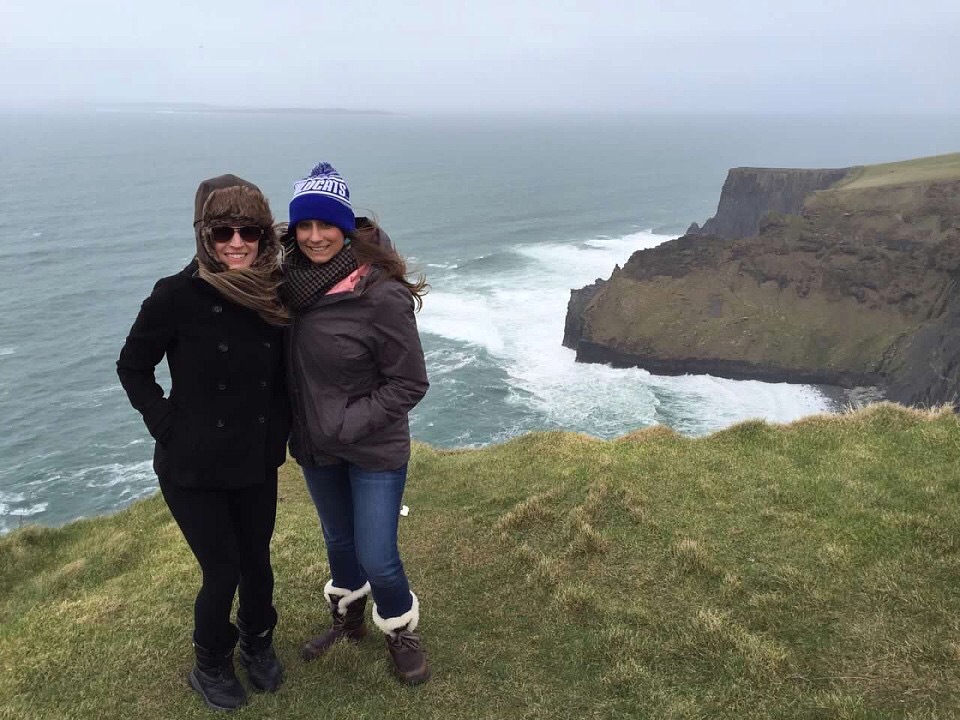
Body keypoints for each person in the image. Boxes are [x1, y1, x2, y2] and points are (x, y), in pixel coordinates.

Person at [117, 175, 290, 711]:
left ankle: (257, 642)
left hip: (256, 459)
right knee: (224, 569)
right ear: (204, 236)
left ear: (265, 235)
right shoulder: (176, 295)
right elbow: (133, 367)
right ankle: (209, 661)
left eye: (250, 231)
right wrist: (168, 428)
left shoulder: (275, 293)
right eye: (223, 232)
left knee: (257, 560)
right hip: (191, 466)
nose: (237, 243)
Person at [281, 161, 431, 685]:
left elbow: (410, 383)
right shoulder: (289, 288)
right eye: (305, 225)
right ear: (293, 230)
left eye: (326, 225)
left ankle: (400, 630)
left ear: (346, 227)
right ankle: (347, 620)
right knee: (338, 542)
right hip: (315, 446)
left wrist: (345, 423)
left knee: (378, 555)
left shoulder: (380, 294)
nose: (315, 236)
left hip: (372, 448)